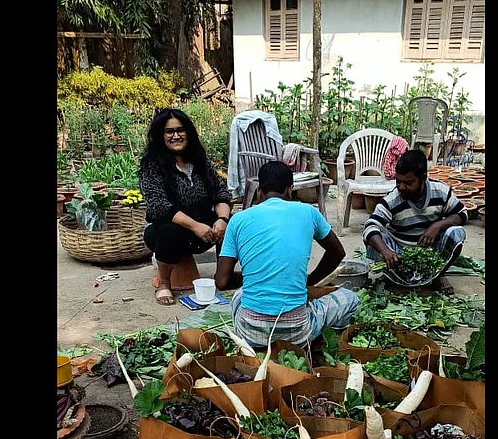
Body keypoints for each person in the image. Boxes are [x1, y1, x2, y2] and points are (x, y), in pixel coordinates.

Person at [215, 160, 359, 349]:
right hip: (297, 332)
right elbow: (337, 252)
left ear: (259, 192)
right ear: (290, 190)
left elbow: (221, 281)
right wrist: (310, 281)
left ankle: (256, 343)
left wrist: (258, 276)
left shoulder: (238, 220)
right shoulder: (309, 212)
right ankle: (331, 342)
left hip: (250, 333)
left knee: (239, 296)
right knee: (350, 298)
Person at [140, 108, 233, 305]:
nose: (176, 135)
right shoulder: (153, 165)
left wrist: (222, 220)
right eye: (169, 131)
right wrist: (195, 226)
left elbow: (221, 192)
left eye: (180, 130)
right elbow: (159, 206)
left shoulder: (199, 161)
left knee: (235, 222)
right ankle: (164, 283)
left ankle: (223, 276)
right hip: (163, 232)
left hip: (204, 230)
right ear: (161, 135)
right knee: (170, 230)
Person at [363, 148, 467, 294]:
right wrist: (386, 251)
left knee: (456, 233)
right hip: (399, 254)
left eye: (408, 183)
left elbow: (462, 214)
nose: (401, 187)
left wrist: (437, 226)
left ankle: (439, 275)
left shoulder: (441, 191)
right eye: (398, 181)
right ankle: (398, 276)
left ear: (423, 178)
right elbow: (370, 227)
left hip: (431, 254)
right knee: (374, 241)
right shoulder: (392, 200)